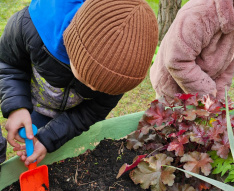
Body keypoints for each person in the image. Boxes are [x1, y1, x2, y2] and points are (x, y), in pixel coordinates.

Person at [0, 0, 158, 165]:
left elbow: (93, 111)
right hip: (33, 105)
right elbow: (8, 65)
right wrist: (17, 106)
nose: (94, 89)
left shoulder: (119, 72)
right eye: (89, 80)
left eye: (102, 89)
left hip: (72, 115)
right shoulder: (31, 27)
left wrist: (49, 139)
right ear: (74, 49)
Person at [150, 0, 234, 102]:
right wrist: (207, 91)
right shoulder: (199, 15)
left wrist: (221, 94)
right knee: (172, 129)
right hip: (173, 88)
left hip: (204, 91)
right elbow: (177, 61)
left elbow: (228, 59)